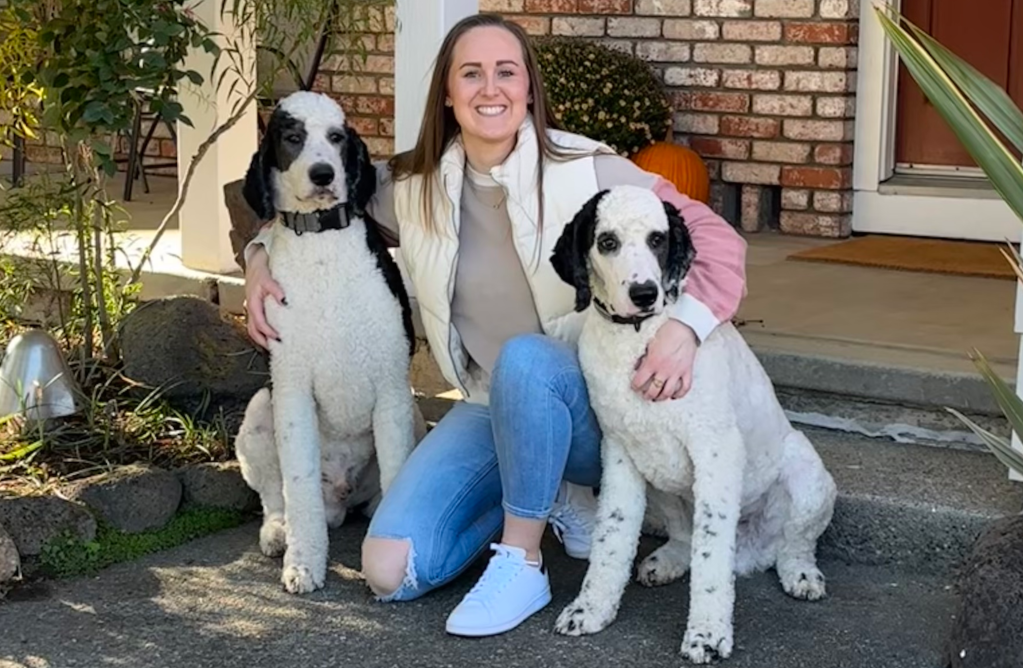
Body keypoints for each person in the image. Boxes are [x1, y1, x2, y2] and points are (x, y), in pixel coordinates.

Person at [242, 12, 747, 638]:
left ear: (529, 88)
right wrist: (256, 258)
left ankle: (522, 560)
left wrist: (685, 329)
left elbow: (717, 241)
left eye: (506, 72)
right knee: (389, 570)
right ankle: (539, 495)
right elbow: (301, 201)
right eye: (471, 74)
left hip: (593, 406)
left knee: (527, 358)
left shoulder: (591, 169)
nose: (490, 88)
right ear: (447, 94)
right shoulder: (412, 186)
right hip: (489, 406)